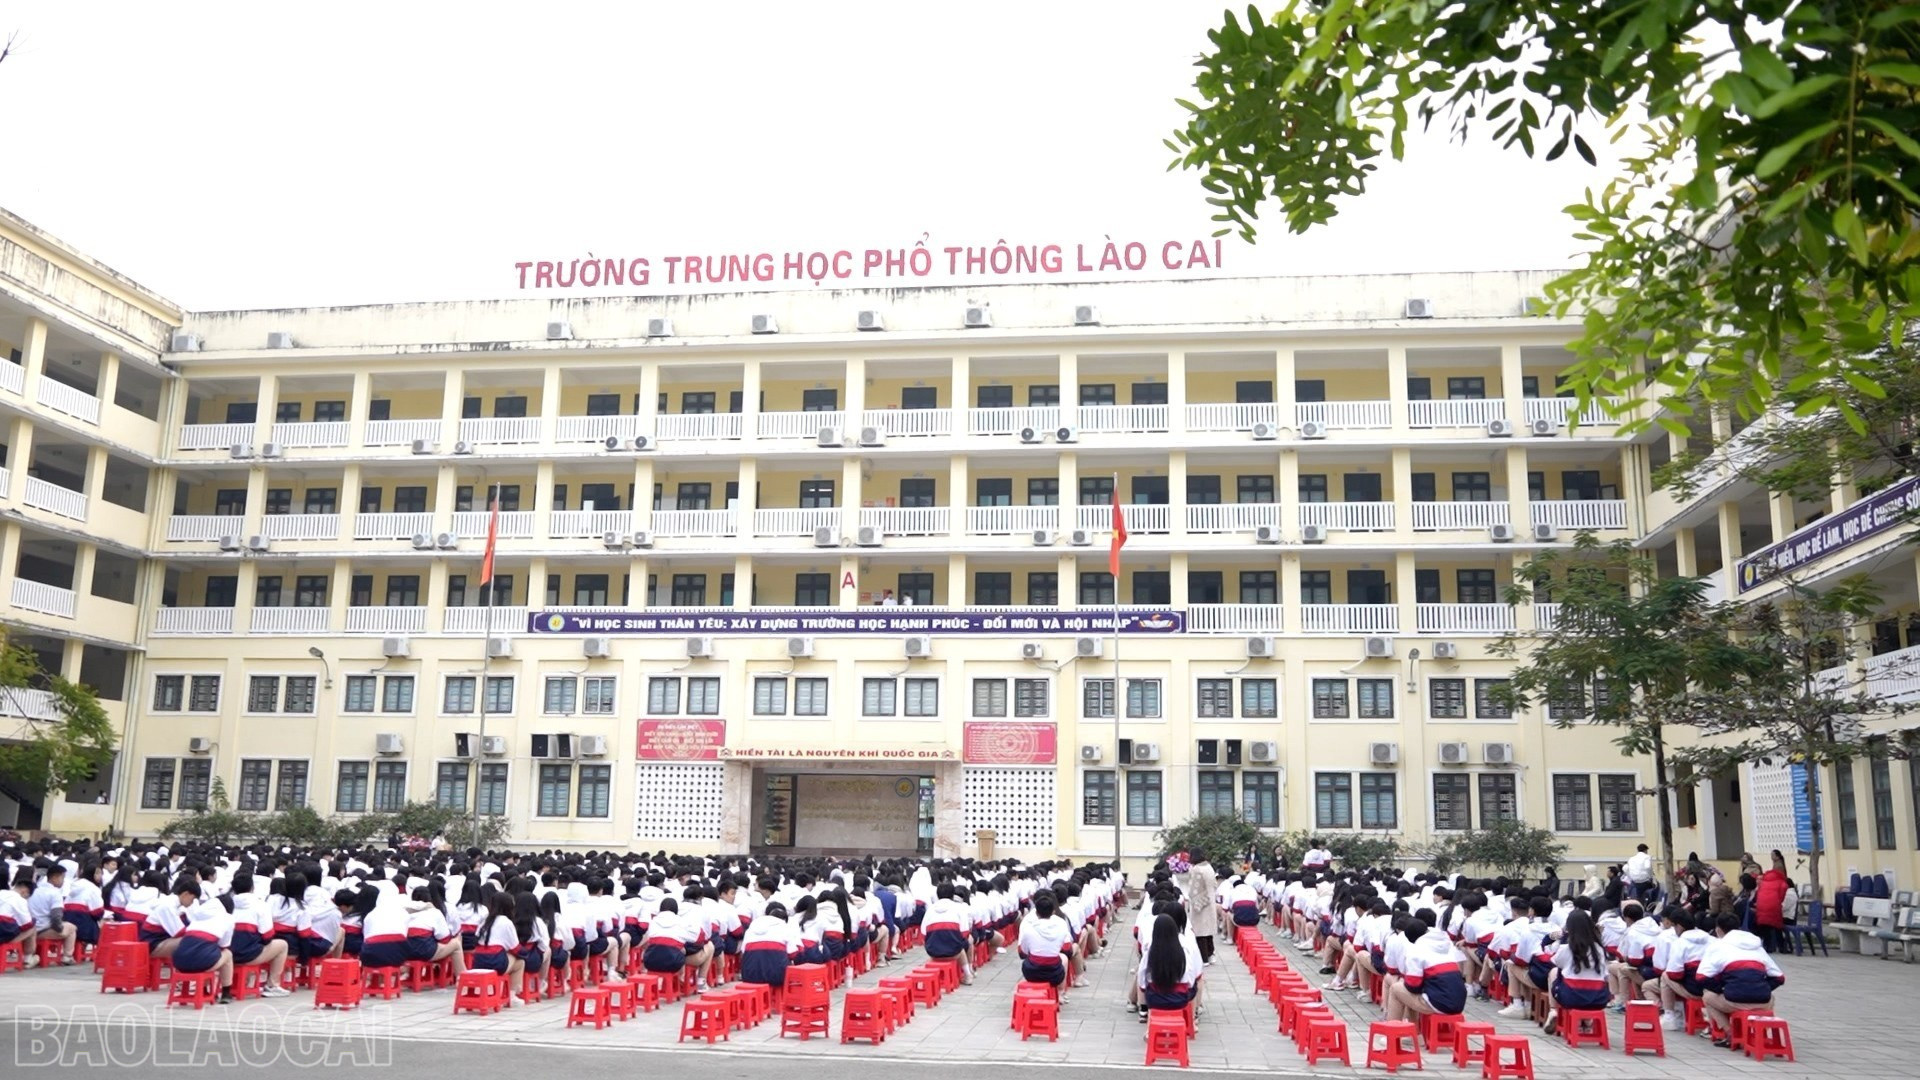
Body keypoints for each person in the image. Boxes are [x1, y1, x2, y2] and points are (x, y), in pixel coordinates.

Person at [1698, 912, 1785, 1047]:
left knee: (1707, 997)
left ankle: (1730, 1033)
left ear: (1718, 930)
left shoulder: (1718, 946)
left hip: (1735, 1000)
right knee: (1771, 997)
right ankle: (1760, 1033)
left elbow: (1701, 977)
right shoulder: (1757, 946)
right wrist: (1763, 988)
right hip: (1762, 1002)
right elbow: (1779, 978)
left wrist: (1721, 988)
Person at [1386, 912, 1467, 1023]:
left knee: (1396, 989)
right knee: (1413, 994)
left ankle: (1393, 1028)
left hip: (1440, 1004)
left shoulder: (1417, 950)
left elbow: (1413, 986)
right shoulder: (1445, 945)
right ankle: (1413, 1028)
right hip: (1459, 1003)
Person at [170, 880, 236, 1004]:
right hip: (203, 962)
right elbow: (224, 945)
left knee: (207, 952)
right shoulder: (228, 918)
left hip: (178, 963)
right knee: (227, 954)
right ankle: (226, 993)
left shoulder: (197, 916)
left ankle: (205, 990)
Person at [1544, 909, 1609, 1034]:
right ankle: (1587, 1021)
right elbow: (1605, 975)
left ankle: (1553, 1010)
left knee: (1554, 972)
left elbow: (1556, 962)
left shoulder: (1567, 948)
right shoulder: (1599, 949)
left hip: (1571, 997)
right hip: (1598, 999)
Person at [1136, 912, 1201, 1018]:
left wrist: (1144, 989)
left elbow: (1142, 974)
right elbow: (1190, 974)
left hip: (1154, 999)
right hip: (1179, 999)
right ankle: (1192, 1018)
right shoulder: (1183, 950)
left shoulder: (1151, 951)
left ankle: (1145, 1015)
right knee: (1194, 986)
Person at [1017, 890, 1074, 1001]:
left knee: (1028, 959)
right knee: (1063, 958)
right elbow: (1067, 948)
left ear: (1036, 912)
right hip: (1056, 974)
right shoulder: (1061, 924)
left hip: (1032, 973)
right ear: (1053, 911)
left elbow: (1022, 952)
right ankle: (1060, 993)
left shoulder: (1028, 927)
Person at [28, 864, 76, 965]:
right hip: (43, 930)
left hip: (31, 929)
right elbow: (56, 917)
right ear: (54, 877)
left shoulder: (35, 890)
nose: (63, 881)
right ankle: (67, 956)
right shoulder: (55, 893)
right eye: (62, 877)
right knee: (72, 928)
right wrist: (60, 929)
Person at [1185, 849, 1218, 964]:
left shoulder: (1196, 869)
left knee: (1200, 932)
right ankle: (1211, 955)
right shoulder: (1209, 867)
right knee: (1208, 930)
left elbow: (1193, 889)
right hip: (1210, 900)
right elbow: (1214, 885)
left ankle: (1203, 959)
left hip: (1200, 903)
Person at [1754, 860, 1789, 952]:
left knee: (1765, 927)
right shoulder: (1782, 882)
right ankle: (1782, 947)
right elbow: (1782, 895)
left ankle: (1767, 946)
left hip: (1761, 905)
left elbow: (1759, 893)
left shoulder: (1764, 881)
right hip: (1773, 906)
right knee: (1777, 927)